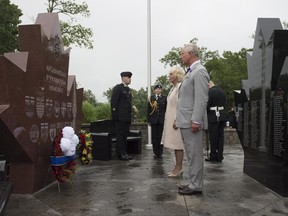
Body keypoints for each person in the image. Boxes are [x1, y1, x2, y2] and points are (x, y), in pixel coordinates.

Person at [176, 43, 210, 195]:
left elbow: (201, 98)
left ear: (191, 54)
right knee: (191, 154)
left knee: (195, 154)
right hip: (186, 120)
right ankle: (193, 182)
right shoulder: (191, 71)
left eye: (183, 53)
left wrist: (196, 120)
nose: (181, 56)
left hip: (192, 121)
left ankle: (195, 185)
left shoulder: (200, 71)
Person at [162, 67, 185, 177]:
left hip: (176, 120)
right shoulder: (174, 88)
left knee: (178, 144)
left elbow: (181, 104)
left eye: (171, 74)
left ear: (177, 75)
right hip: (171, 119)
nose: (169, 76)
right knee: (175, 145)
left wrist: (177, 119)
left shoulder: (180, 87)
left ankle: (179, 167)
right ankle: (177, 167)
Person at [111, 71, 133, 161]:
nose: (130, 79)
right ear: (123, 78)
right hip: (120, 117)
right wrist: (115, 116)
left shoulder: (128, 90)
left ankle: (124, 153)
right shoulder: (118, 88)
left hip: (126, 117)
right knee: (120, 136)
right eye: (128, 77)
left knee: (125, 136)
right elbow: (114, 102)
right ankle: (120, 154)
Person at [205, 81, 226, 162]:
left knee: (213, 137)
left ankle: (213, 156)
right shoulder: (222, 91)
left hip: (213, 117)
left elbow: (207, 105)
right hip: (222, 116)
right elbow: (224, 102)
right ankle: (220, 156)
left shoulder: (210, 92)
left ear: (208, 85)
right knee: (221, 137)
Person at [147, 84, 167, 159]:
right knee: (154, 137)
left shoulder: (164, 98)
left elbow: (166, 110)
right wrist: (148, 120)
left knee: (161, 137)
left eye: (159, 89)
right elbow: (148, 110)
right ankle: (155, 152)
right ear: (154, 90)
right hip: (154, 120)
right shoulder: (151, 98)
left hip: (161, 120)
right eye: (157, 89)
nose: (158, 90)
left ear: (161, 90)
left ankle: (160, 152)